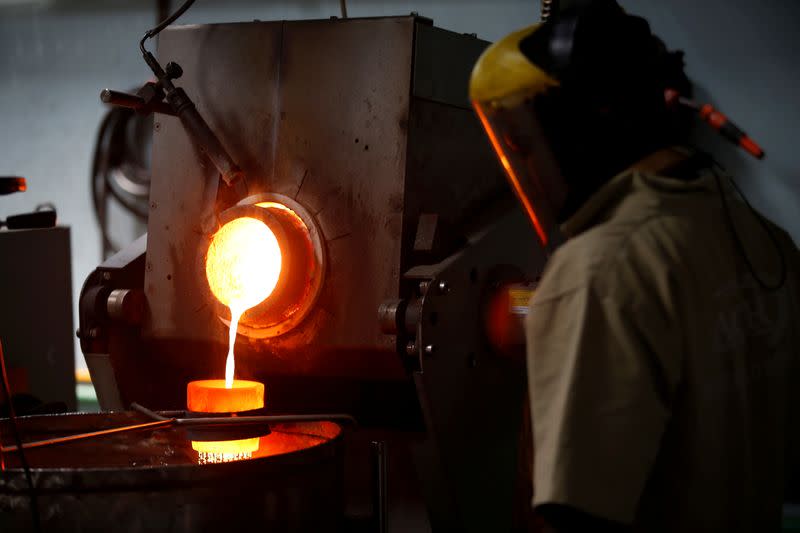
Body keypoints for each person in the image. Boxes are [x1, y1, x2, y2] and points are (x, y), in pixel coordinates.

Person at [469, 1, 799, 531]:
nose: (525, 161)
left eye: (526, 143)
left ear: (575, 130)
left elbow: (575, 519)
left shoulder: (600, 271)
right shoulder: (767, 242)